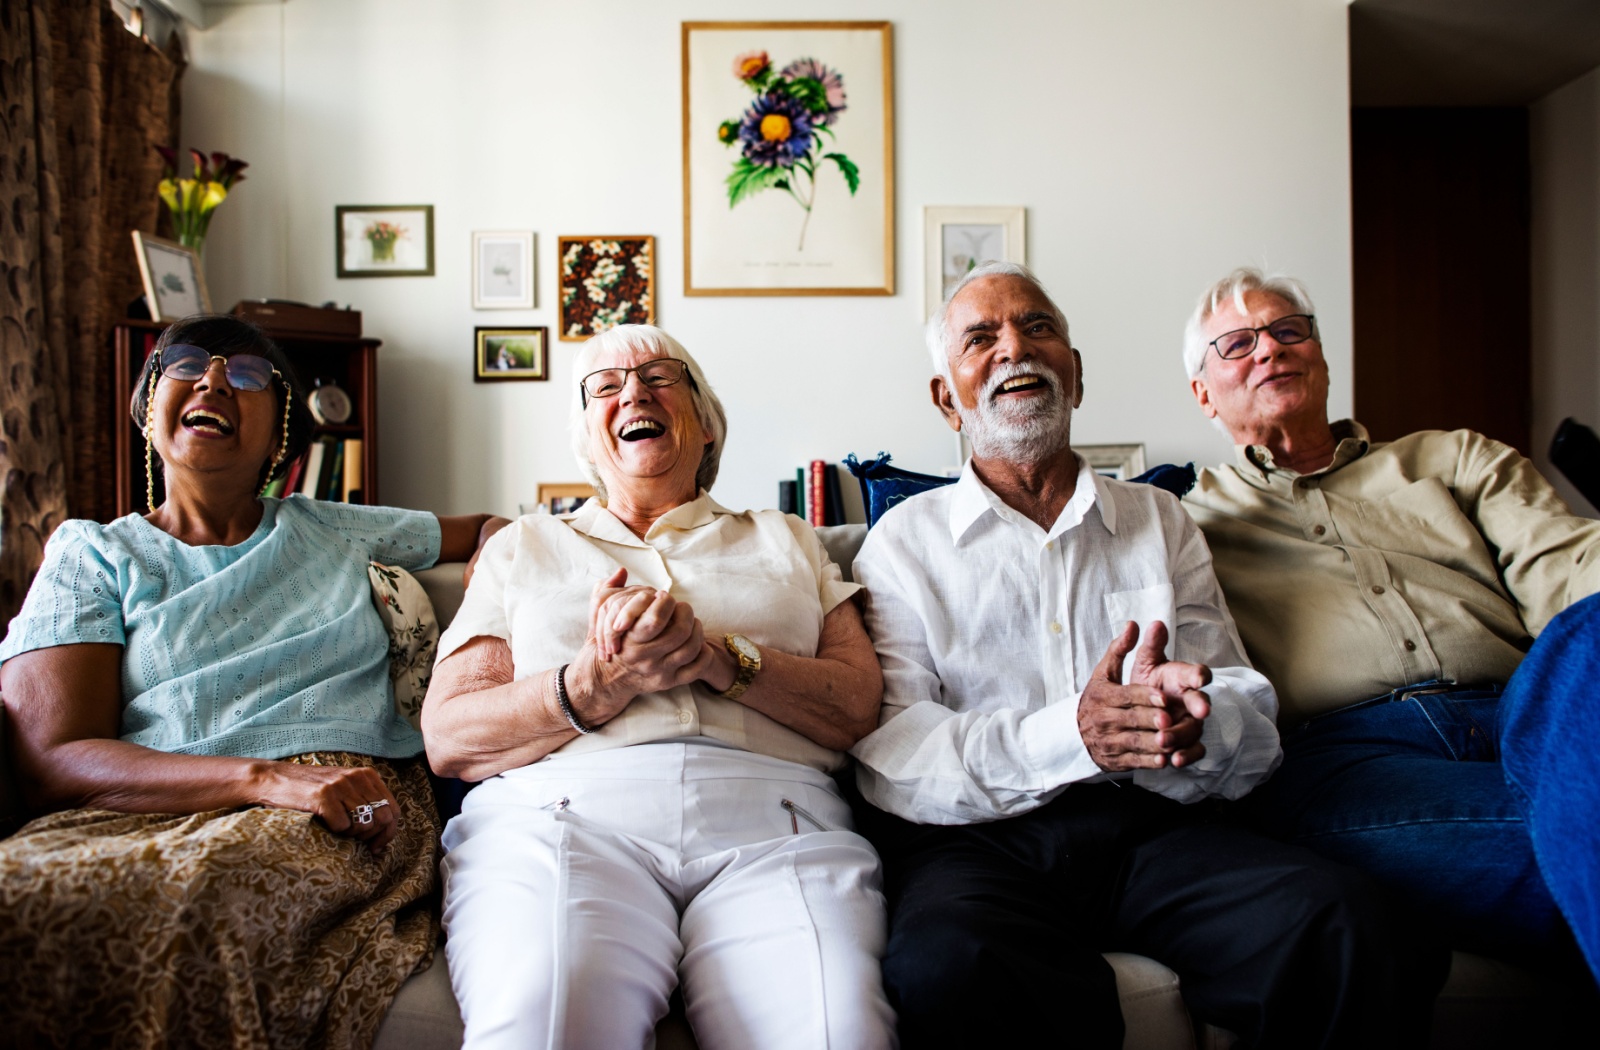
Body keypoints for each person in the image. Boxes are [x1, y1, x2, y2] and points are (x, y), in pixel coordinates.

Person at [850, 261, 1438, 1048]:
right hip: (980, 844)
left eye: (1039, 328)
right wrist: (1074, 734)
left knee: (1344, 920)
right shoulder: (902, 543)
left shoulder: (1161, 519)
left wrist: (1199, 723)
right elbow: (895, 755)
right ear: (944, 396)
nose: (1014, 350)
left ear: (1076, 375)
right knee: (946, 965)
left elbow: (1245, 709)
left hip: (1153, 828)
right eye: (980, 338)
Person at [0, 315, 502, 1048]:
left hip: (340, 801)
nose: (212, 380)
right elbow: (54, 754)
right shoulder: (92, 554)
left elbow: (491, 527)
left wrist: (491, 606)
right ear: (148, 409)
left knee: (203, 896)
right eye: (188, 365)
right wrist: (260, 778)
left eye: (246, 376)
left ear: (280, 441)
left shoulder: (337, 525)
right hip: (148, 808)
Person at [422, 324, 895, 1050]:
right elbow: (450, 736)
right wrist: (591, 684)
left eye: (660, 377)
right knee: (545, 1015)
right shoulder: (523, 547)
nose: (633, 392)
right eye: (605, 387)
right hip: (560, 819)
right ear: (588, 437)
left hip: (776, 822)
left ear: (706, 424)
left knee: (838, 1033)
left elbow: (858, 706)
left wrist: (716, 656)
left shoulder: (789, 537)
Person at [1181, 266, 1600, 983]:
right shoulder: (1184, 524)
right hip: (1352, 759)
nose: (1271, 350)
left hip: (1528, 715)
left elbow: (1569, 568)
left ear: (1320, 356)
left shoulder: (1456, 458)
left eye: (1288, 331)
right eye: (1238, 343)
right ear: (1202, 394)